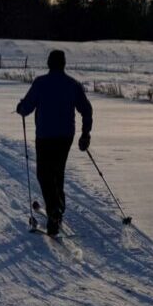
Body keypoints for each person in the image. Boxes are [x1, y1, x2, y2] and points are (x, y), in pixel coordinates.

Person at [15, 49, 92, 236]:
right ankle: (58, 208)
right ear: (64, 64)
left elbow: (26, 108)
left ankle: (54, 211)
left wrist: (20, 107)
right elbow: (86, 110)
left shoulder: (40, 83)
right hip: (66, 136)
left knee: (44, 174)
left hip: (45, 136)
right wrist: (85, 134)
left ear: (49, 63)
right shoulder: (72, 84)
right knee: (57, 171)